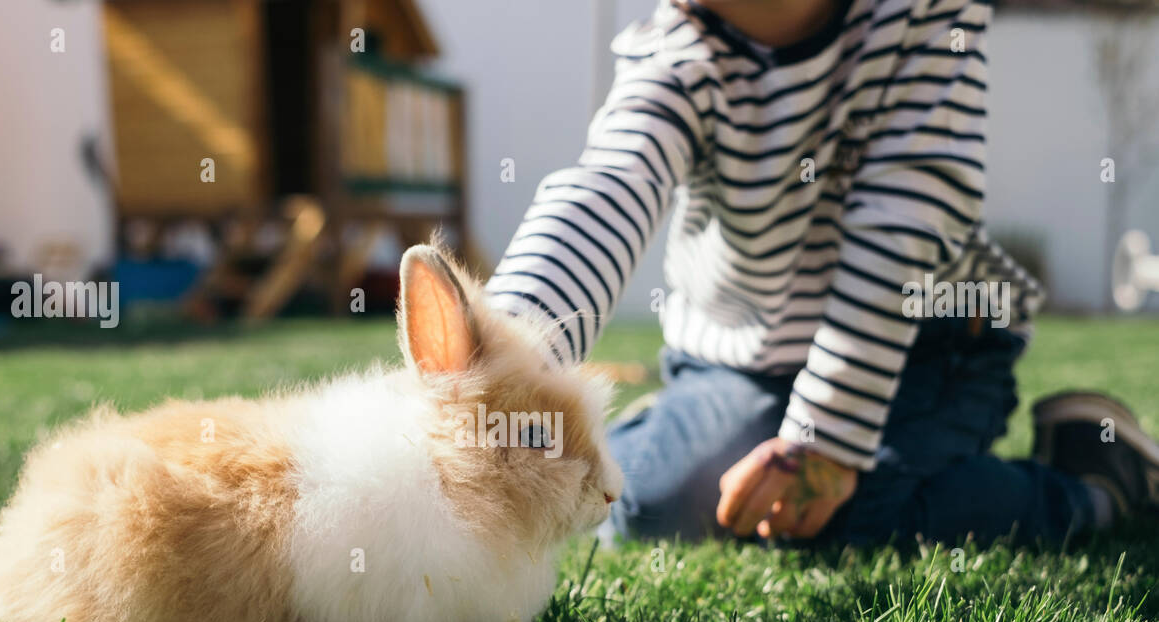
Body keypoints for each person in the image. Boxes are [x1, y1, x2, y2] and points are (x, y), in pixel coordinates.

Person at [485, 0, 1159, 545]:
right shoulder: (673, 51)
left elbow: (904, 218)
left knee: (854, 516)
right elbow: (606, 191)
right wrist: (504, 356)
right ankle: (699, 427)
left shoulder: (920, 18)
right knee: (644, 508)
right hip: (748, 358)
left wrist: (828, 437)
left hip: (930, 349)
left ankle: (1098, 485)